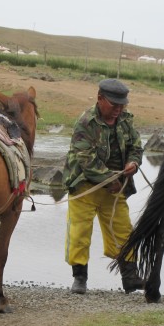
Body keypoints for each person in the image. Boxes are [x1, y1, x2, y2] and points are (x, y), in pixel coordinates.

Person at [62, 78, 145, 294]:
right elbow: (85, 159)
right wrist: (110, 179)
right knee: (79, 231)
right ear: (100, 99)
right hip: (84, 186)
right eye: (114, 104)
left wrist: (133, 163)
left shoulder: (126, 120)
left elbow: (137, 146)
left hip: (115, 188)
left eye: (122, 105)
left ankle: (130, 277)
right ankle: (79, 279)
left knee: (123, 229)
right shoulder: (85, 122)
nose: (118, 109)